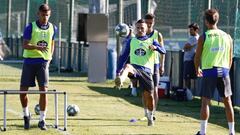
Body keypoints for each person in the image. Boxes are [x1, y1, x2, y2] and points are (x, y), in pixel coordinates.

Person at [115, 19, 166, 126]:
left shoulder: (152, 40)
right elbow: (123, 57)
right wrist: (117, 72)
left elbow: (163, 51)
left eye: (142, 28)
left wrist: (156, 48)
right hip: (134, 68)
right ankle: (121, 80)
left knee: (150, 97)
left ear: (146, 28)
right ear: (134, 29)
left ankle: (150, 116)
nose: (139, 30)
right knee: (128, 66)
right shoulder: (131, 41)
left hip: (147, 71)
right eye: (137, 28)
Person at [194, 9, 235, 135]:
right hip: (224, 71)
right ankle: (232, 132)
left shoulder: (204, 37)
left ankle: (202, 132)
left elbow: (197, 57)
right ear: (217, 20)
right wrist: (226, 70)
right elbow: (230, 58)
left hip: (209, 72)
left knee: (205, 102)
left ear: (206, 21)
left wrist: (197, 69)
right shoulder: (227, 36)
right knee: (228, 102)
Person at [20, 4, 57, 130]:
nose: (45, 17)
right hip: (29, 62)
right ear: (38, 14)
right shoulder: (30, 27)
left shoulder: (53, 28)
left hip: (43, 63)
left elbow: (52, 43)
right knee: (23, 91)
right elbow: (24, 45)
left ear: (50, 14)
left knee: (44, 91)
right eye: (43, 15)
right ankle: (26, 115)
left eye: (47, 15)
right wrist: (37, 47)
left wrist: (50, 57)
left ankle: (42, 120)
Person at [139, 13, 165, 121]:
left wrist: (162, 66)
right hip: (144, 65)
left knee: (154, 90)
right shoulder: (141, 35)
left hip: (155, 64)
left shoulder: (158, 35)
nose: (149, 25)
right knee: (145, 91)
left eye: (151, 23)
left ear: (154, 22)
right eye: (147, 23)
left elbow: (163, 51)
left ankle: (153, 113)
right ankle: (146, 112)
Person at [183, 23, 199, 91]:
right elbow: (185, 47)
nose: (190, 31)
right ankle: (188, 92)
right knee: (187, 77)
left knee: (188, 77)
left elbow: (186, 47)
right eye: (190, 29)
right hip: (188, 59)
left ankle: (188, 92)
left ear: (196, 30)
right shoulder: (192, 37)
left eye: (192, 30)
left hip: (190, 60)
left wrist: (187, 47)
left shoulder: (195, 38)